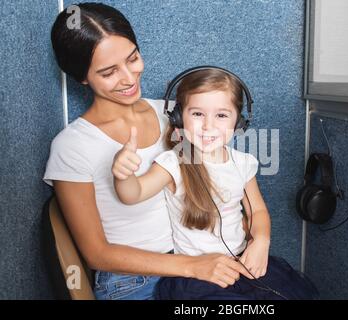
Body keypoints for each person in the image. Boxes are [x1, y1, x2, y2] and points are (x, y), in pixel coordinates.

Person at [44, 3, 250, 300]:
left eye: (133, 58)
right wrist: (192, 266)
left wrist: (253, 234)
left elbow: (221, 179)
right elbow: (97, 254)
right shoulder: (72, 146)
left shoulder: (174, 115)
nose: (129, 78)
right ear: (82, 78)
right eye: (109, 72)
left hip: (198, 259)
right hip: (135, 282)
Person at [112, 67, 319, 299]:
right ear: (179, 117)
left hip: (240, 264)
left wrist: (261, 241)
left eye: (221, 115)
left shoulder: (242, 163)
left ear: (238, 121)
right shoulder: (173, 162)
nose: (208, 126)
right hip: (198, 277)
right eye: (197, 114)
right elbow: (133, 193)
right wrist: (124, 176)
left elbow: (257, 211)